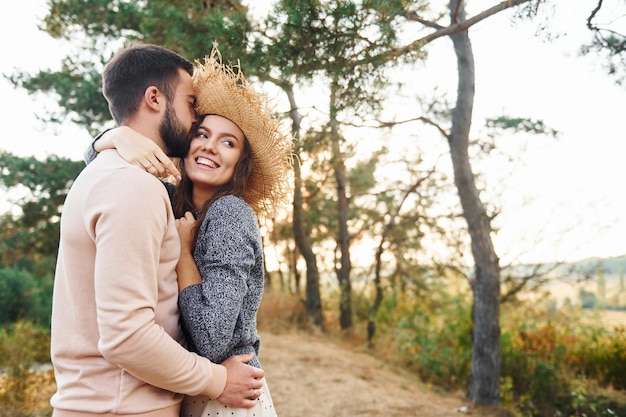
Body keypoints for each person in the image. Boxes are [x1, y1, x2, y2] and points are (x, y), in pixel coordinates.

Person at [50, 43, 265, 417]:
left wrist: (183, 253)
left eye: (228, 142)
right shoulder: (146, 189)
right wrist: (115, 137)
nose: (204, 138)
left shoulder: (223, 211)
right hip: (134, 403)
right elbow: (127, 336)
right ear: (154, 98)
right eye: (193, 109)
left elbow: (213, 338)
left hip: (217, 393)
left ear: (240, 162)